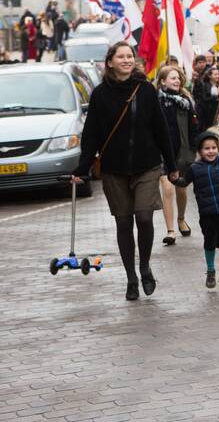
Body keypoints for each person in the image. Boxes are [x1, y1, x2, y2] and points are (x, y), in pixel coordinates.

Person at [71, 41, 178, 301]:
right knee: (123, 222)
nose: (127, 60)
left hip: (147, 165)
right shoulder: (99, 94)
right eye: (121, 57)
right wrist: (82, 168)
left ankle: (145, 266)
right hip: (114, 169)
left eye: (130, 56)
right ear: (110, 62)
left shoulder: (145, 90)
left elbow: (160, 128)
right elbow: (91, 135)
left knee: (143, 217)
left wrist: (171, 164)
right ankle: (131, 277)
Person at [155, 65, 198, 244]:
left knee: (181, 190)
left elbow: (194, 127)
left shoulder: (186, 101)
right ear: (163, 81)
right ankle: (170, 230)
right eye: (172, 78)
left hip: (183, 153)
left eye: (178, 78)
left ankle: (181, 219)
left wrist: (194, 149)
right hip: (163, 153)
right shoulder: (156, 101)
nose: (177, 80)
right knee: (167, 189)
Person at [189, 132, 219, 289]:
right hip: (207, 214)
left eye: (214, 147)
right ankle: (210, 270)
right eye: (207, 148)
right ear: (200, 151)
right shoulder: (194, 168)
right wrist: (174, 178)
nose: (211, 151)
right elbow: (182, 182)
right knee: (210, 243)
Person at [197, 66, 219, 131]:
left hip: (216, 112)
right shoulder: (205, 86)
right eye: (215, 74)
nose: (217, 76)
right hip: (207, 114)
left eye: (218, 74)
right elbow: (204, 99)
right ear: (210, 76)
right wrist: (216, 96)